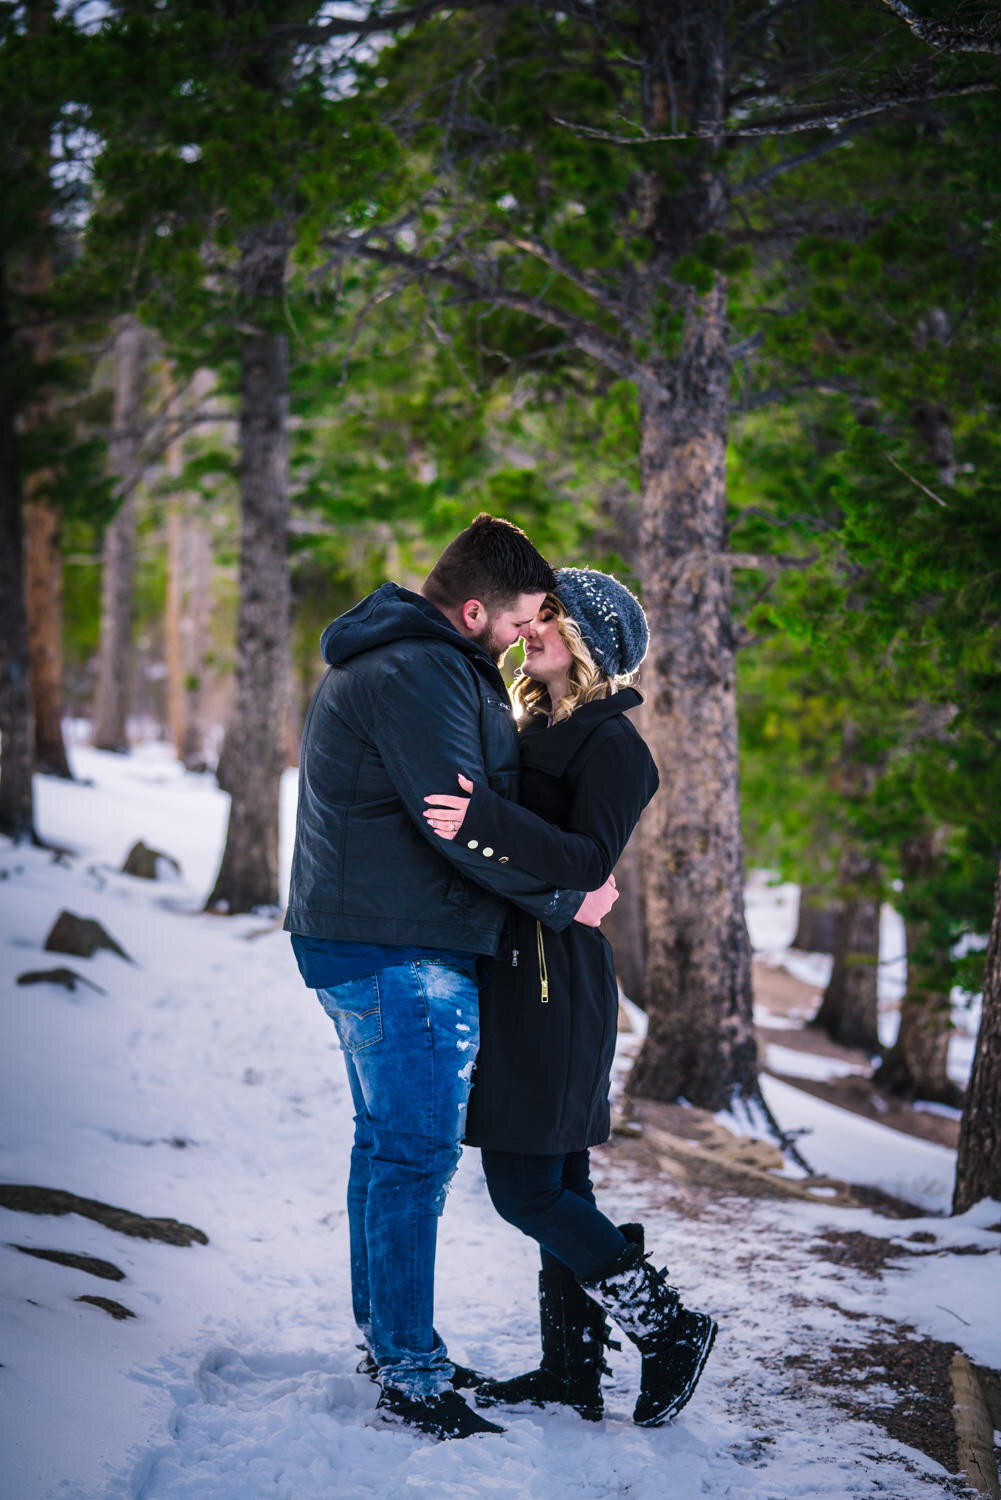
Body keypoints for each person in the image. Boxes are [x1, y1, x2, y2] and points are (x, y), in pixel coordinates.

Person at [284, 516, 618, 1442]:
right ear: (473, 610)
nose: (521, 640)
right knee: (412, 1158)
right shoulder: (418, 670)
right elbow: (454, 821)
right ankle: (410, 1373)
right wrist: (567, 895)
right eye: (515, 623)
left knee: (384, 1148)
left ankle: (389, 1341)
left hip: (379, 938)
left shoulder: (415, 659)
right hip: (398, 949)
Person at [423, 568, 718, 1428]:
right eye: (536, 613)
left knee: (525, 1189)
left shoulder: (616, 746)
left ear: (591, 643)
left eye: (553, 616)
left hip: (557, 987)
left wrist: (479, 816)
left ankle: (668, 1331)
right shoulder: (538, 721)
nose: (534, 626)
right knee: (565, 1188)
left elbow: (587, 860)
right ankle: (569, 1372)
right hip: (525, 971)